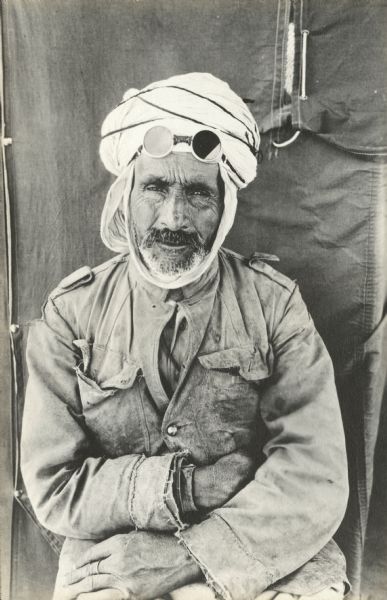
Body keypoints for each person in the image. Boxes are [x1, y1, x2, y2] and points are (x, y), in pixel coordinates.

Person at [21, 73, 349, 600]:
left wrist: (192, 556)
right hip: (115, 553)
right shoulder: (72, 314)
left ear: (224, 208)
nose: (174, 217)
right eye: (155, 187)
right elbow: (53, 486)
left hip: (257, 546)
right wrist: (184, 487)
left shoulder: (274, 305)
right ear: (125, 196)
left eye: (197, 193)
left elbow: (317, 475)